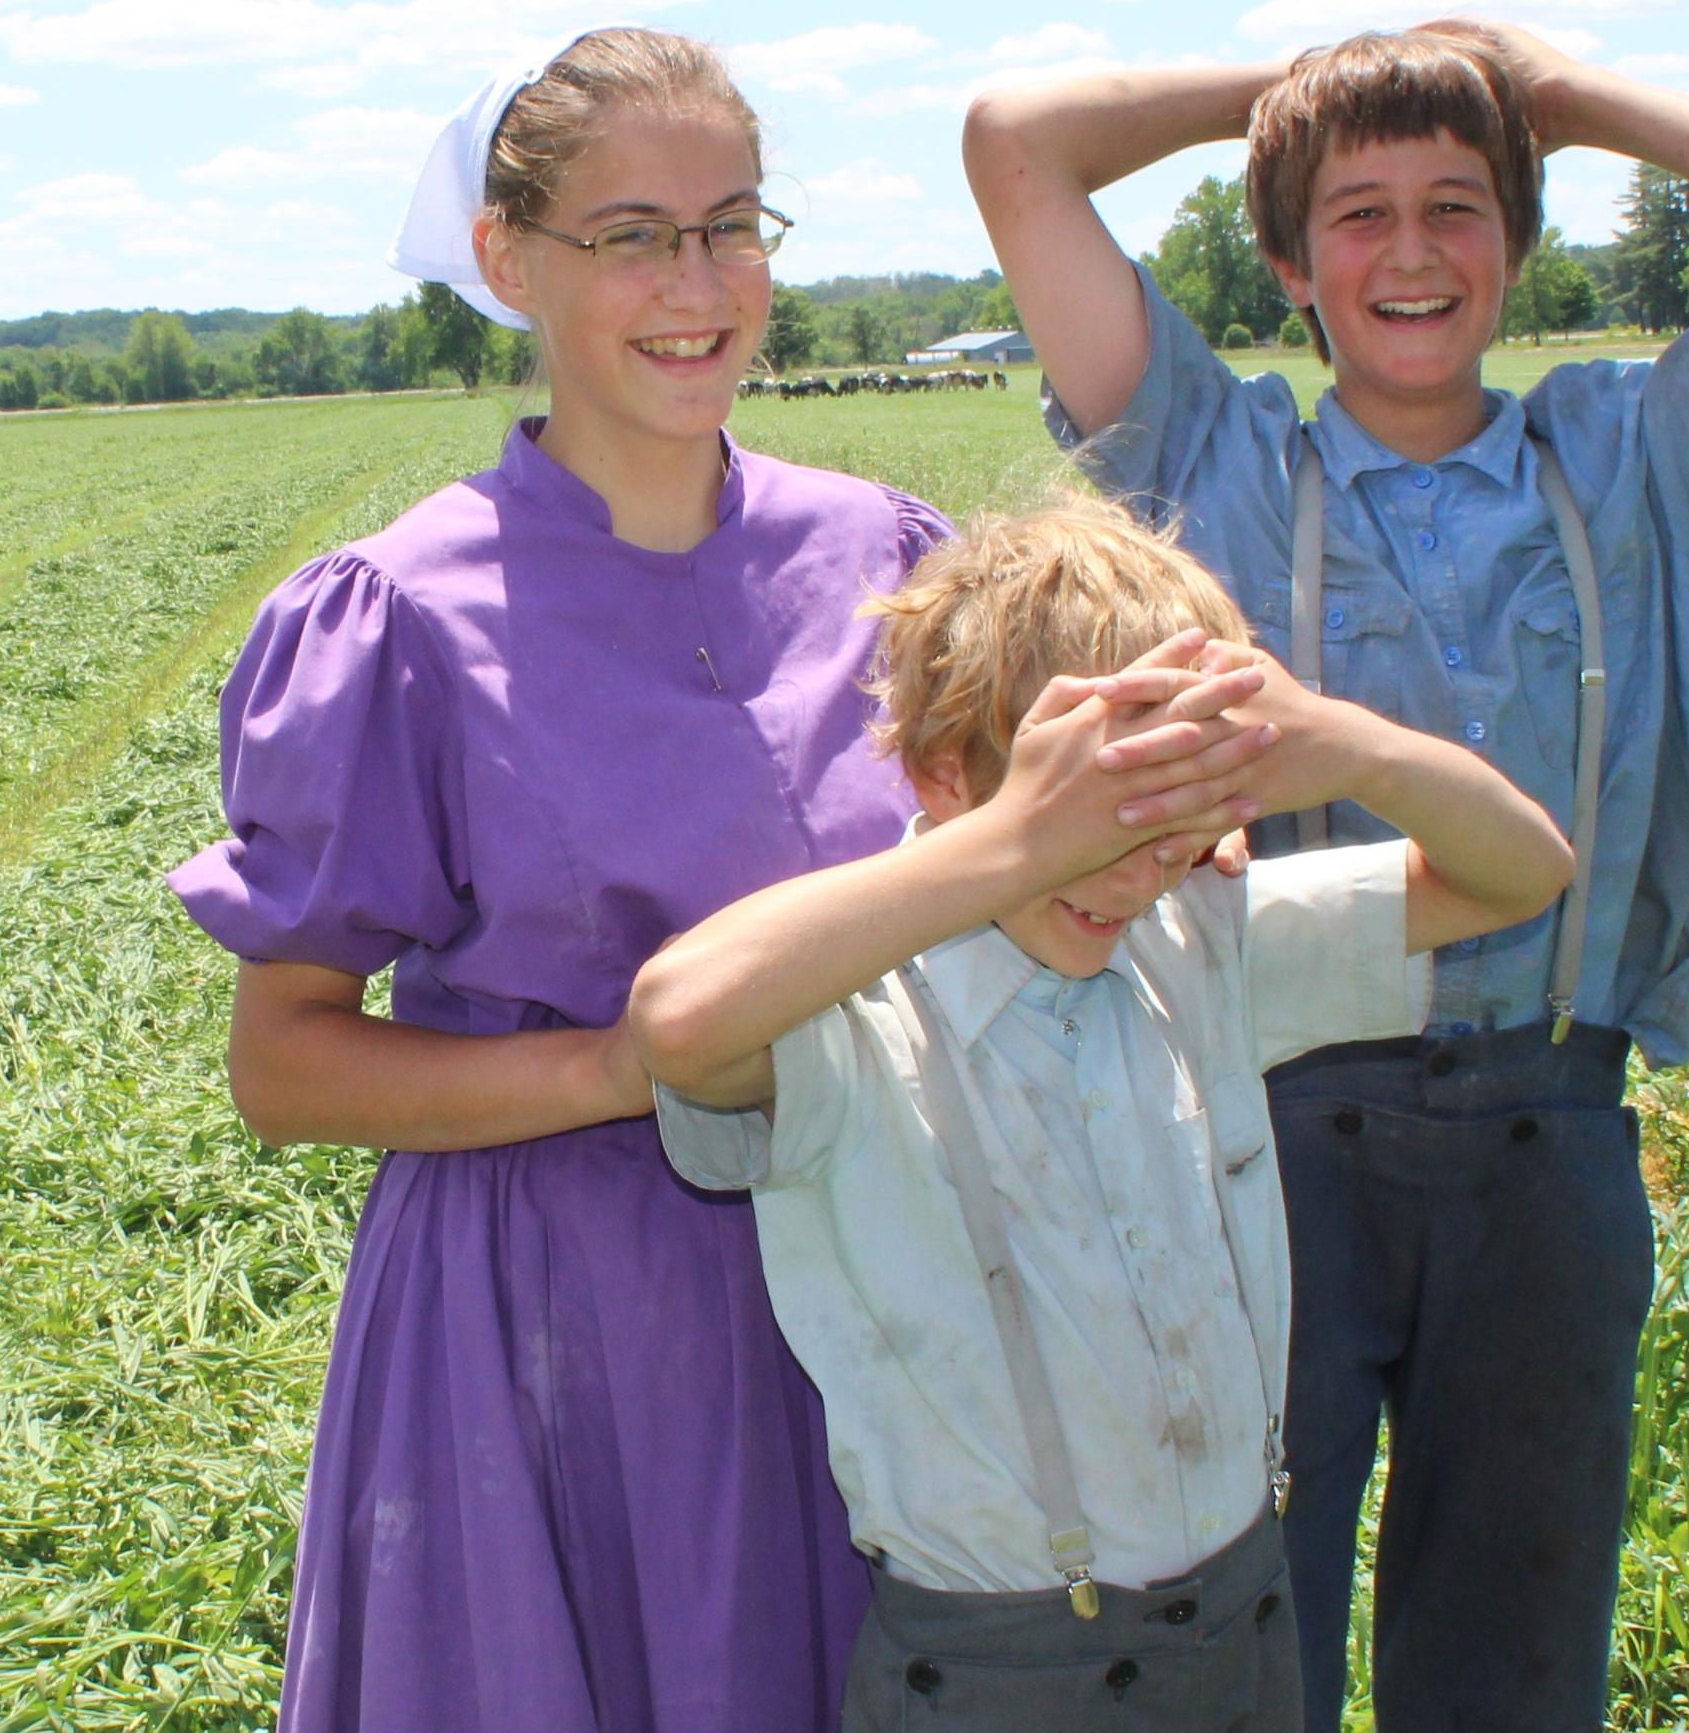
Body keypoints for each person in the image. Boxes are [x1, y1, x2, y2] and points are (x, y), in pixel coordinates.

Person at [170, 30, 1266, 1733]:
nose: (697, 282)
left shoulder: (883, 552)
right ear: (506, 257)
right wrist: (617, 1064)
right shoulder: (395, 610)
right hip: (565, 1320)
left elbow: (1009, 846)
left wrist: (1163, 827)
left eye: (731, 224)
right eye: (630, 233)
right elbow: (287, 1059)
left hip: (895, 1267)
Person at [961, 24, 1689, 1730]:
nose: (1412, 252)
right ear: (1284, 258)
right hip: (1261, 1128)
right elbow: (1016, 141)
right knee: (1248, 1634)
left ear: (1523, 239)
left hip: (1551, 1130)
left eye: (1461, 204)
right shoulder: (1205, 454)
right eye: (1359, 211)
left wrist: (1574, 90)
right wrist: (1287, 79)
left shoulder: (1639, 457)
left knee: (1516, 1653)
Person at [630, 500, 1570, 1730]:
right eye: (1097, 832)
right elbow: (679, 1020)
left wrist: (1347, 748)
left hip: (1246, 1629)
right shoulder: (857, 1022)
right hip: (998, 1671)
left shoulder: (1197, 938)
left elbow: (1523, 870)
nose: (1139, 876)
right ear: (941, 776)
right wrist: (1017, 844)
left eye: (1177, 831)